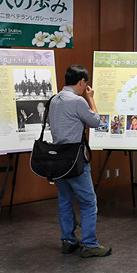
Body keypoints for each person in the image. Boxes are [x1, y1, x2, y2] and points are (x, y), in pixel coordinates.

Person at [48, 65, 111, 258]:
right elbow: (96, 121)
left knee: (65, 201)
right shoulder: (78, 101)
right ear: (82, 82)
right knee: (88, 201)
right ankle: (90, 244)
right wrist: (91, 99)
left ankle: (68, 240)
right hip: (76, 161)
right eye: (86, 84)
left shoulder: (54, 99)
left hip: (58, 160)